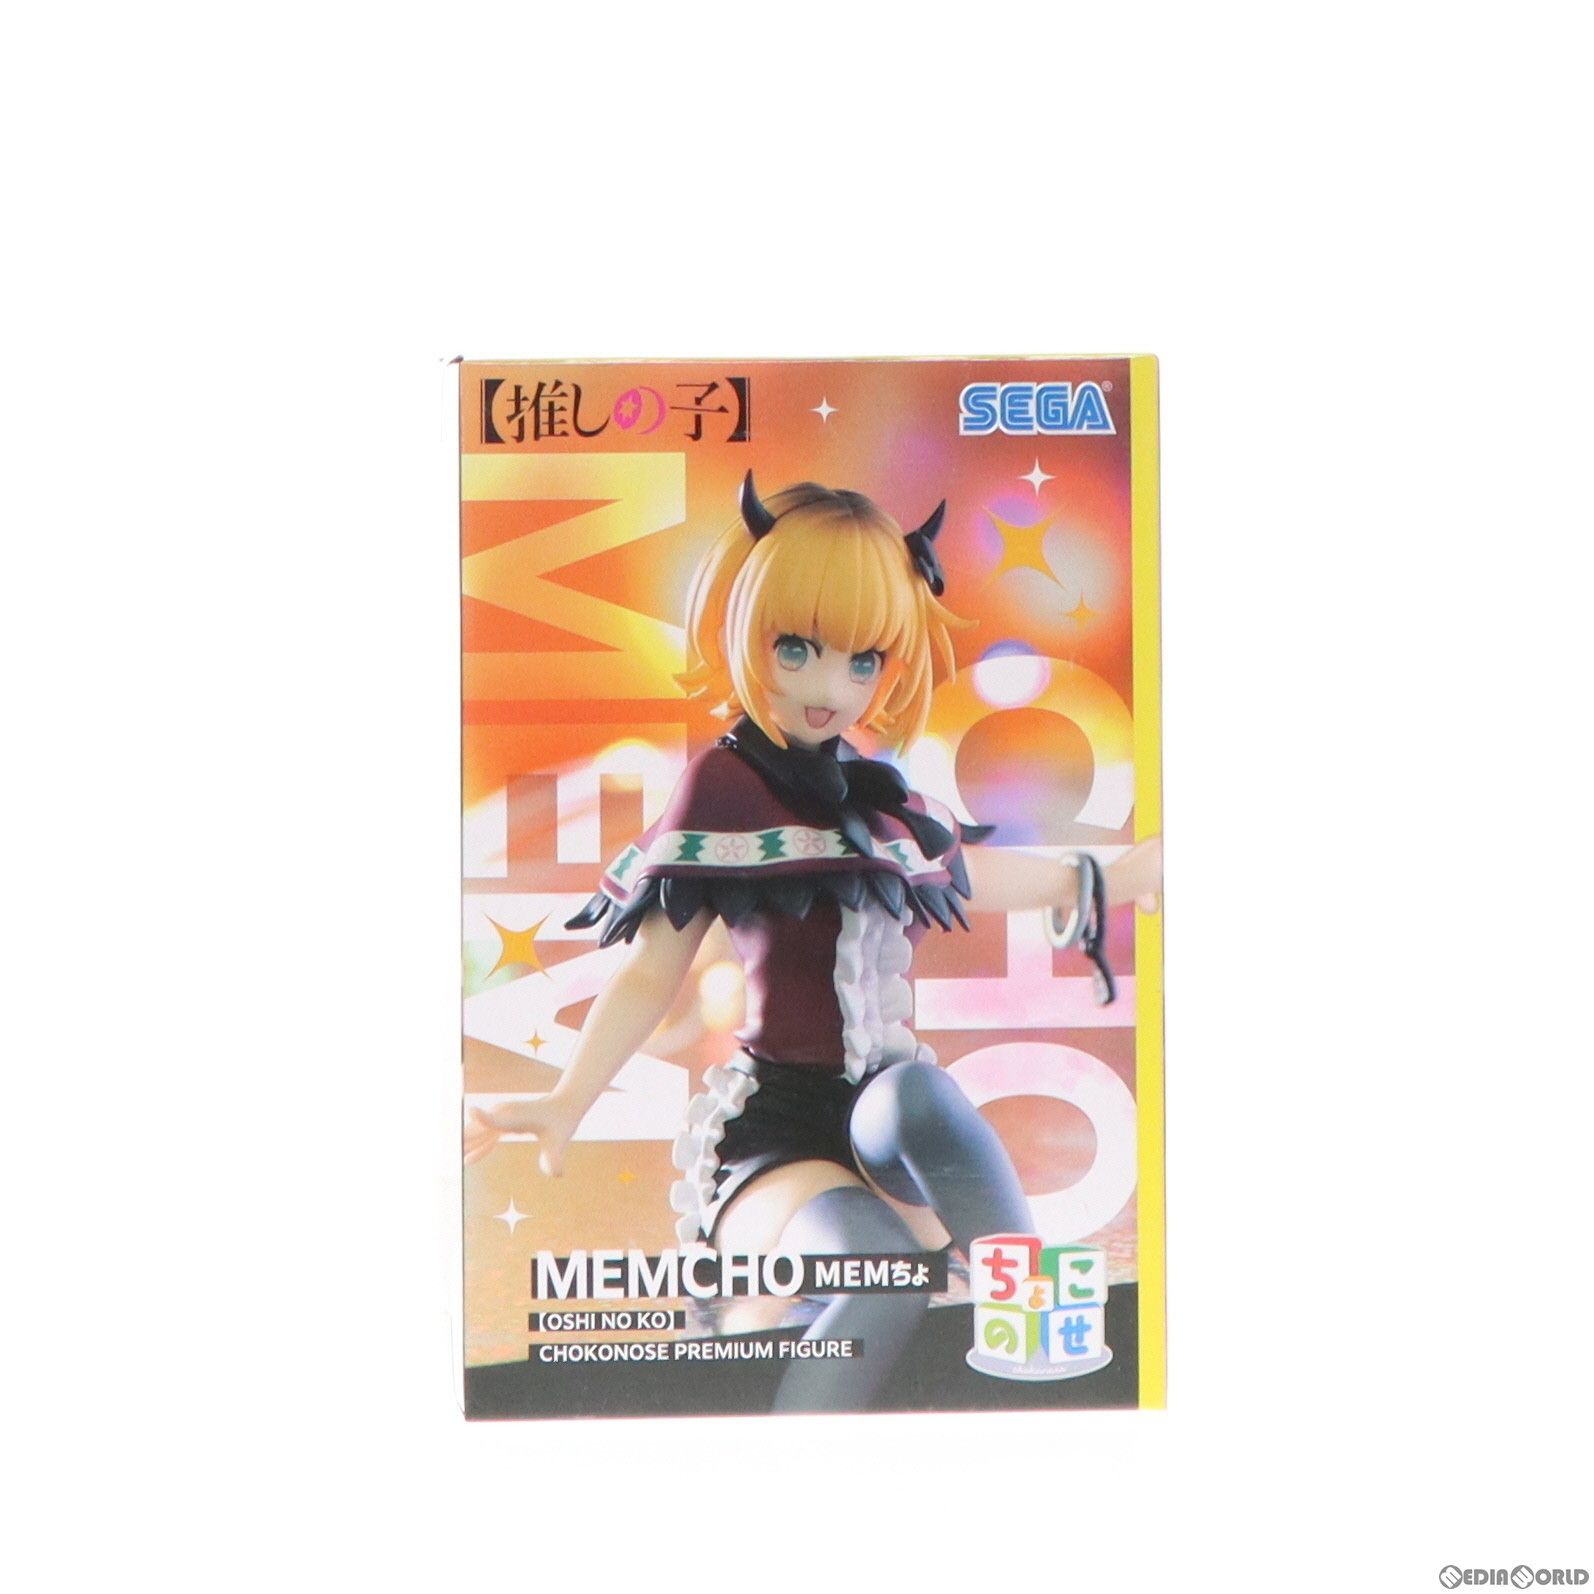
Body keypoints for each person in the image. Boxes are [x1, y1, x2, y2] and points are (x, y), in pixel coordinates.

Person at [465, 474, 1162, 1410]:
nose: (829, 688)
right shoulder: (723, 785)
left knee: (916, 1090)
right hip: (776, 1140)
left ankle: (1036, 1339)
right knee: (876, 1276)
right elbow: (651, 971)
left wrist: (1113, 877)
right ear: (746, 631)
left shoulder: (874, 790)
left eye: (862, 661)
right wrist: (566, 1099)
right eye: (796, 649)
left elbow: (968, 872)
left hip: (882, 1121)